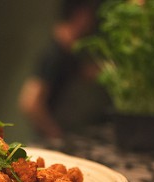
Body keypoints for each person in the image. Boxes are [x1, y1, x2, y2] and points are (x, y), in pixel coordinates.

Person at [18, 0, 109, 144]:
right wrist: (56, 134)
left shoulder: (71, 51)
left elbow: (90, 72)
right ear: (81, 15)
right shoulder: (55, 54)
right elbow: (30, 102)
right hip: (50, 144)